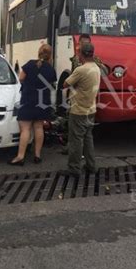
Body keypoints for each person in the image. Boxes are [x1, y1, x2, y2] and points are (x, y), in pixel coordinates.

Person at [8, 44, 57, 166]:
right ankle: (37, 155)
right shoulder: (51, 69)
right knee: (39, 128)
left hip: (28, 99)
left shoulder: (30, 64)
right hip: (42, 101)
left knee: (25, 129)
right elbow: (51, 85)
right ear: (50, 55)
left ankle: (20, 156)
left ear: (39, 52)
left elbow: (21, 78)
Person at [59, 42, 101, 178]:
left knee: (76, 141)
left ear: (81, 54)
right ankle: (91, 165)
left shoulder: (81, 70)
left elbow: (65, 84)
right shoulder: (96, 68)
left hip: (78, 111)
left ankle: (74, 169)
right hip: (91, 109)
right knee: (88, 139)